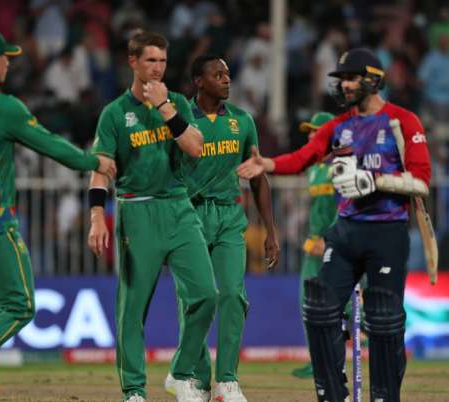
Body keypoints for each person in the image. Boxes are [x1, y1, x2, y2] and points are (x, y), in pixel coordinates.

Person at [0, 28, 113, 402]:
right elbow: (51, 145)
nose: (10, 63)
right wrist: (96, 161)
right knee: (20, 306)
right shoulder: (4, 107)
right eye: (6, 57)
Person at [237, 48, 432, 402]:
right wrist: (267, 163)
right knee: (319, 306)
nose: (345, 85)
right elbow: (302, 158)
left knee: (384, 320)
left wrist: (375, 181)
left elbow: (420, 182)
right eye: (341, 78)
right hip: (346, 229)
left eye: (352, 77)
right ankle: (332, 395)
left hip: (386, 230)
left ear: (373, 79)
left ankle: (385, 397)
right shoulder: (338, 127)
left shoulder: (402, 121)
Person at [86, 31, 217, 402]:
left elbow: (195, 148)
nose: (158, 68)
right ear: (133, 62)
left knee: (207, 295)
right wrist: (97, 215)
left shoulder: (176, 102)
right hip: (136, 208)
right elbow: (101, 168)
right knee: (132, 309)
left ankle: (180, 371)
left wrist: (165, 110)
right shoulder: (114, 114)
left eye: (162, 61)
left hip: (178, 207)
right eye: (150, 61)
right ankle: (134, 391)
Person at [164, 54, 279, 402]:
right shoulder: (180, 121)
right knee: (196, 300)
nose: (227, 80)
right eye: (218, 74)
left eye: (228, 74)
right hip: (190, 217)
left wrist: (271, 231)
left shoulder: (242, 122)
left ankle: (226, 381)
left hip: (230, 217)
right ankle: (195, 380)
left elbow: (258, 177)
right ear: (199, 80)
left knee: (231, 294)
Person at [289, 111, 335, 380]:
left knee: (350, 302)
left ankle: (367, 337)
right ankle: (318, 361)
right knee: (307, 304)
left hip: (339, 245)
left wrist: (331, 240)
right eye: (308, 132)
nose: (309, 137)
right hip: (314, 247)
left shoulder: (343, 167)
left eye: (314, 132)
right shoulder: (314, 170)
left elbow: (348, 208)